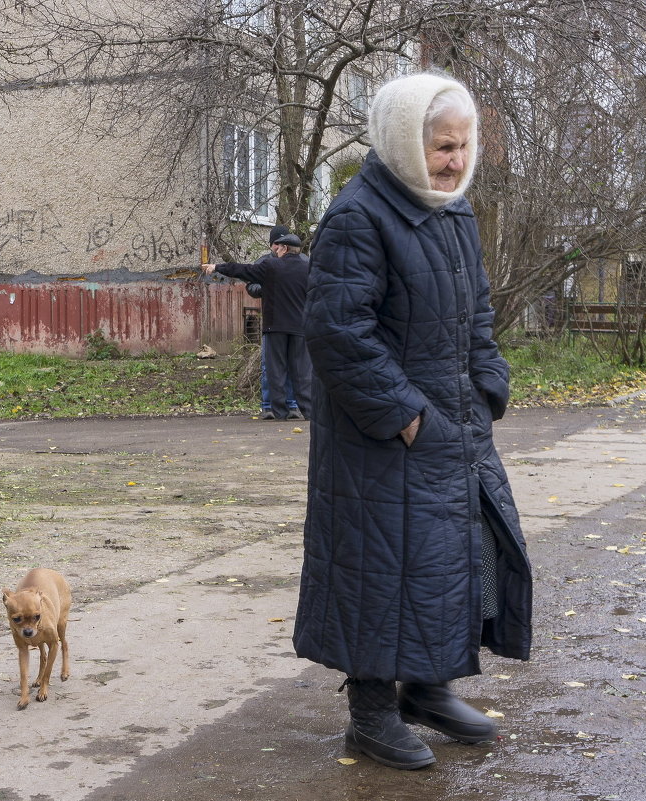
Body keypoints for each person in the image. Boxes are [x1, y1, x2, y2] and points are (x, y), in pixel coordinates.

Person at [293, 72, 533, 770]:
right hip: (381, 436)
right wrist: (402, 416)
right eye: (441, 146)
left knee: (452, 559)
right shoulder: (359, 214)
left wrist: (488, 385)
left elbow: (476, 314)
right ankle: (369, 714)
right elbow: (337, 330)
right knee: (380, 568)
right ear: (403, 140)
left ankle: (427, 687)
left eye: (463, 145)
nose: (455, 161)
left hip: (455, 423)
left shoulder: (452, 209)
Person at [204, 233, 312, 420]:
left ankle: (279, 412)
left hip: (275, 327)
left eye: (278, 248)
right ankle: (309, 412)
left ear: (284, 249)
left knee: (276, 370)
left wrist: (217, 267)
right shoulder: (308, 267)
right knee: (302, 371)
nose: (275, 251)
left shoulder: (271, 266)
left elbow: (243, 270)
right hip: (300, 327)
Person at [248, 225, 301, 420]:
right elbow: (252, 286)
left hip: (296, 323)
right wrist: (268, 287)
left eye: (282, 243)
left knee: (295, 365)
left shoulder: (302, 262)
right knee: (269, 365)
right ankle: (268, 405)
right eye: (276, 243)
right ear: (271, 245)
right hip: (274, 321)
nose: (279, 247)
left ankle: (292, 405)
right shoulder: (264, 262)